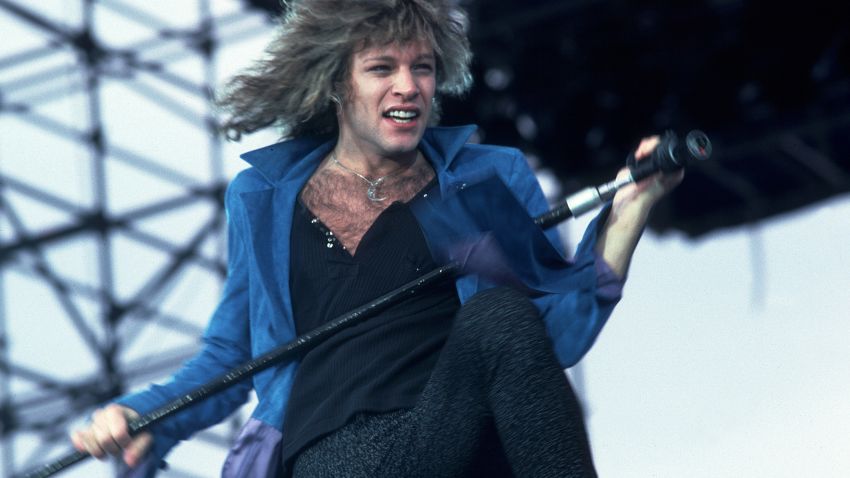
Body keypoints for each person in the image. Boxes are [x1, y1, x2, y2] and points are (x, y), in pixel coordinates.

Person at [70, 0, 682, 476]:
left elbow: (551, 333)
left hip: (462, 436)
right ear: (338, 84)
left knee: (501, 318)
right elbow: (231, 356)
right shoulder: (263, 199)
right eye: (382, 68)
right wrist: (144, 416)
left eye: (421, 68)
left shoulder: (484, 179)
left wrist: (632, 207)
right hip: (336, 457)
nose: (408, 86)